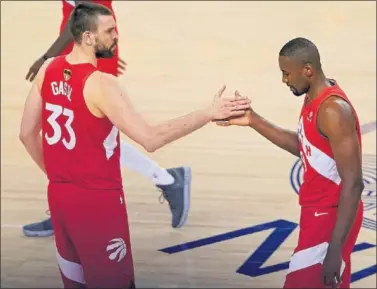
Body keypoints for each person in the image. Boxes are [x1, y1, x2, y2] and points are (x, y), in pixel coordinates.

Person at [19, 2, 250, 288]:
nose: (117, 36)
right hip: (98, 205)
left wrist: (58, 176)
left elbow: (27, 134)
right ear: (88, 37)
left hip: (60, 198)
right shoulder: (101, 85)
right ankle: (169, 179)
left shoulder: (48, 69)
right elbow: (150, 138)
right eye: (110, 30)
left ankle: (168, 180)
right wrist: (208, 113)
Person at [24, 0, 193, 237]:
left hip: (83, 44)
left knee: (89, 133)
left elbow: (81, 15)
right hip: (82, 45)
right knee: (81, 131)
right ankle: (165, 179)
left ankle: (165, 178)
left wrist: (46, 58)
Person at [216, 37, 364, 289]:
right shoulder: (314, 98)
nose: (284, 80)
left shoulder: (333, 110)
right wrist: (253, 120)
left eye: (286, 74)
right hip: (318, 212)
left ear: (307, 70)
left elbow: (354, 184)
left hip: (330, 216)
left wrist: (334, 249)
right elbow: (307, 148)